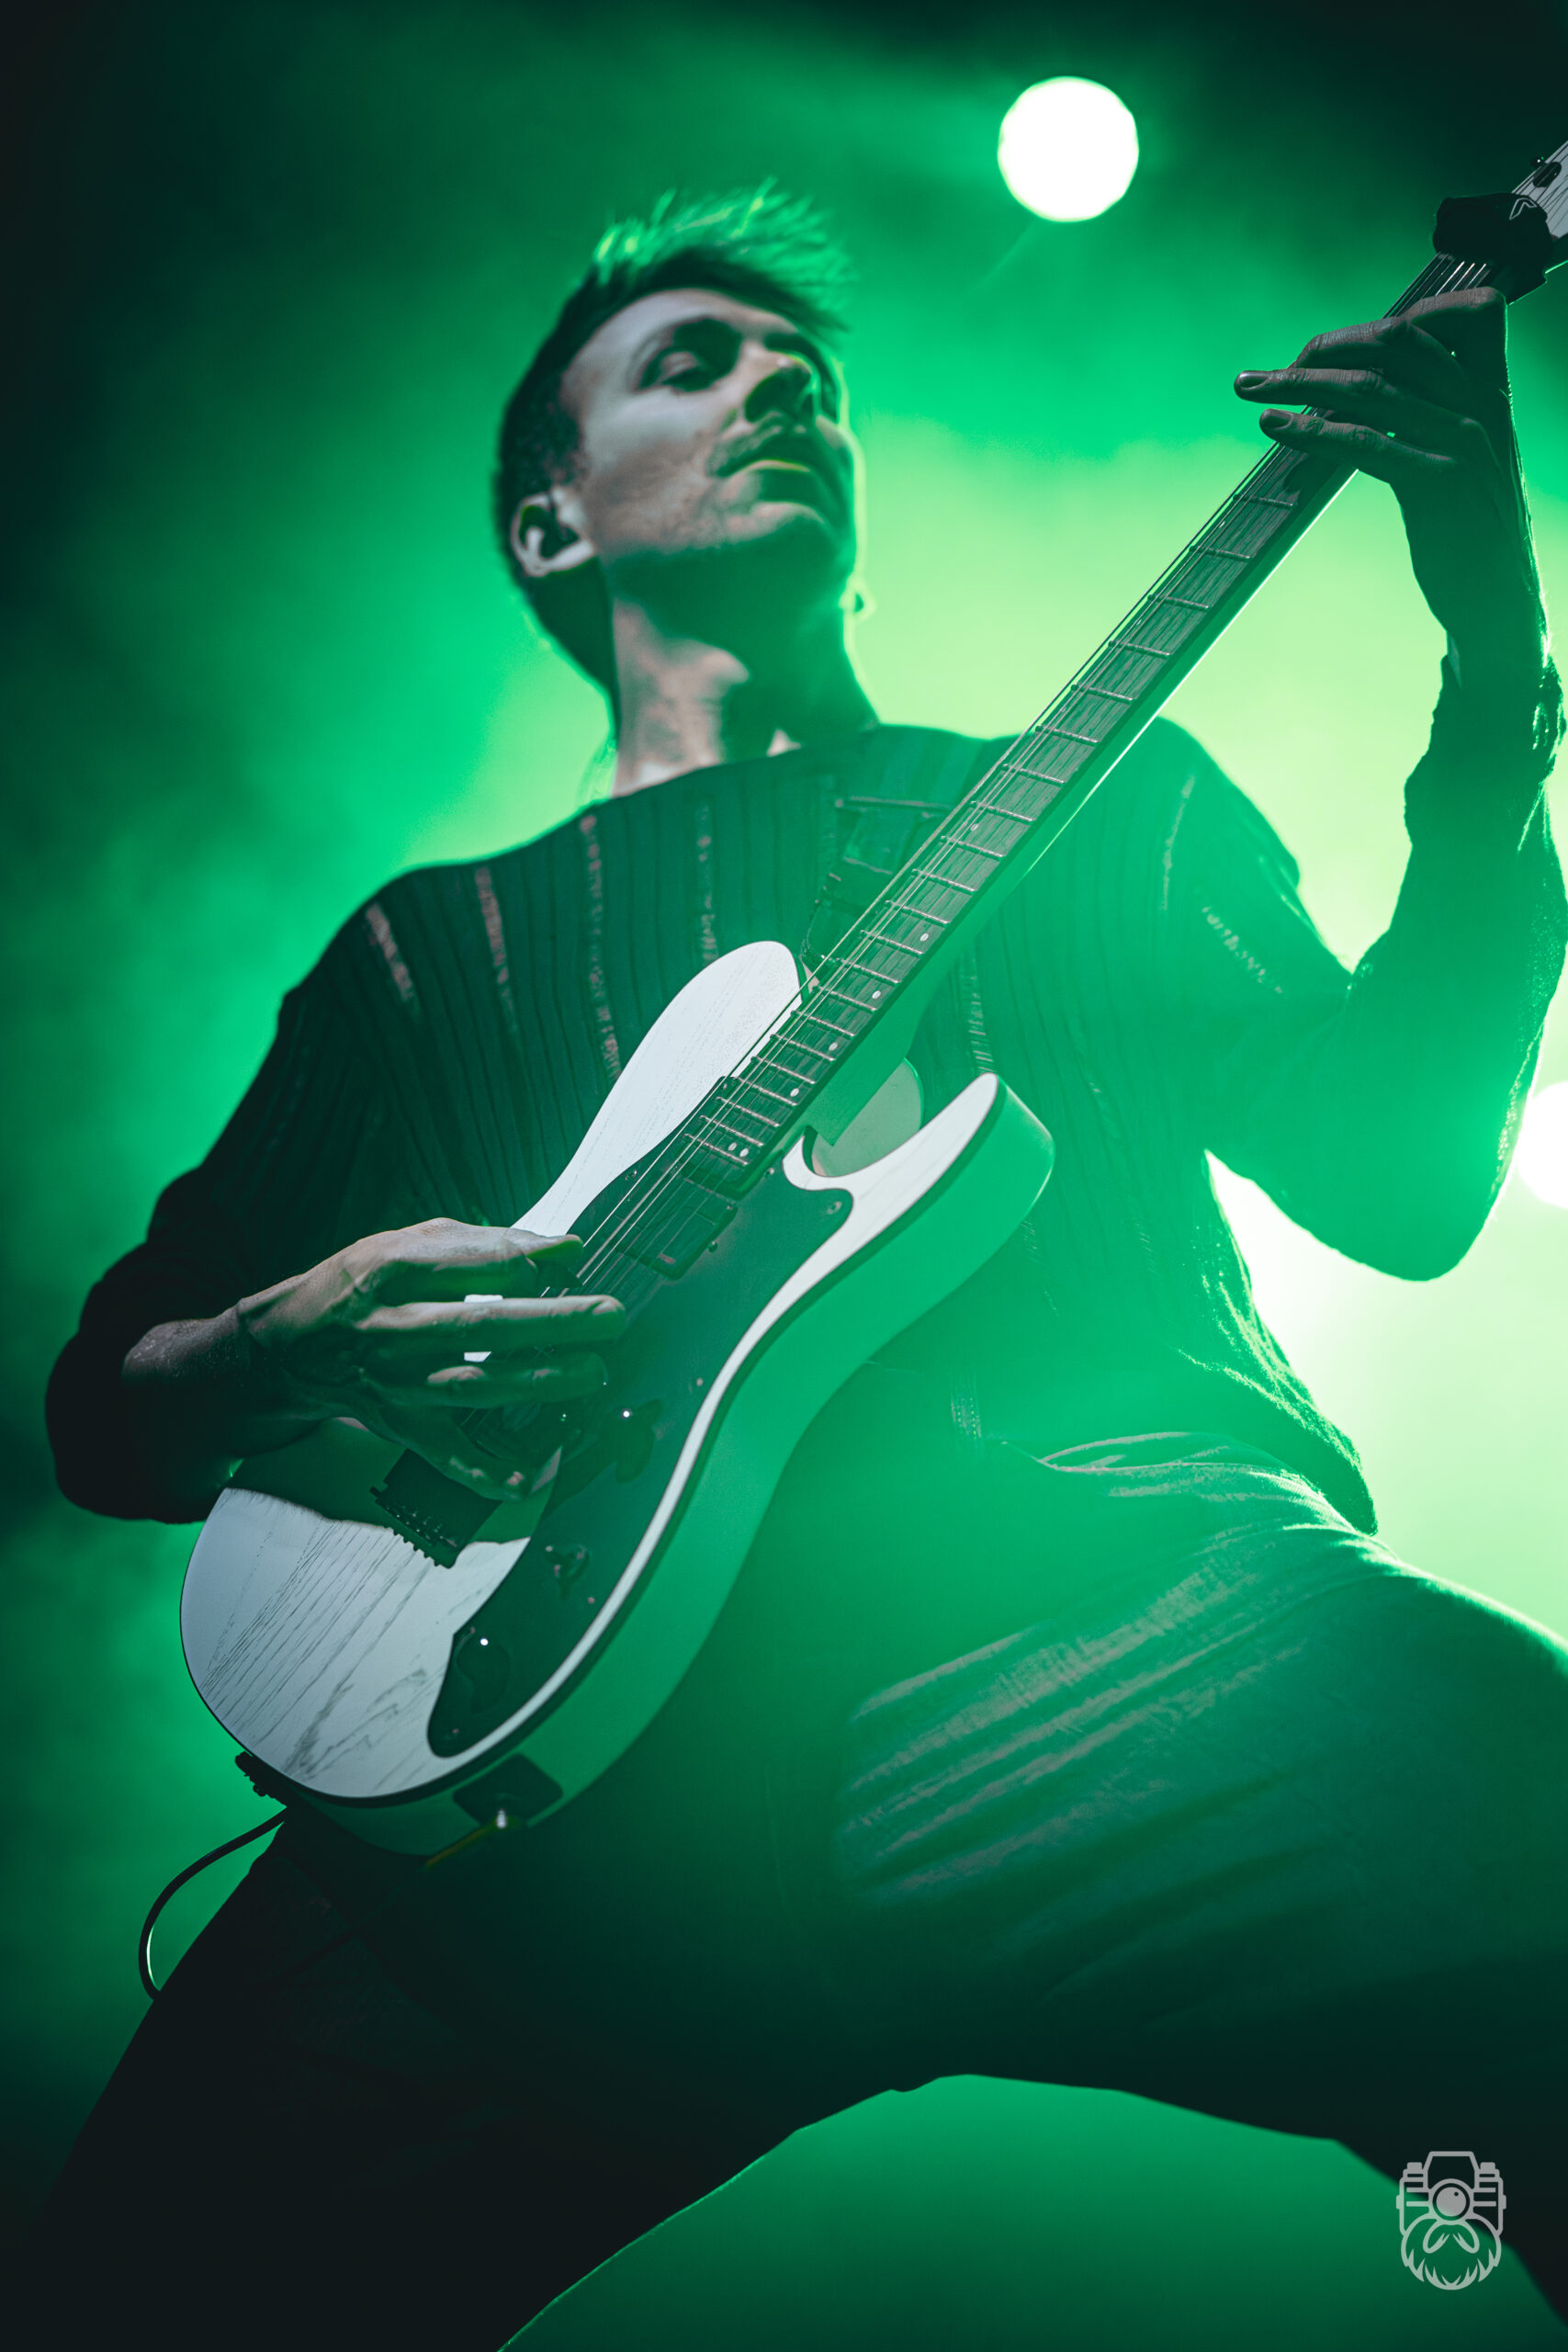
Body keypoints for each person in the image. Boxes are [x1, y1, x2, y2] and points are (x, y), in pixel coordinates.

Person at [31, 186, 1568, 2346]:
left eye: (807, 373)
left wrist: (1491, 665)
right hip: (538, 1790)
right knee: (133, 2285)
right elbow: (107, 1407)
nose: (778, 387)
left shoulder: (1100, 797)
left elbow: (1400, 1179)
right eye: (693, 363)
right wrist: (289, 1333)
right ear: (551, 517)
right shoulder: (425, 950)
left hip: (1110, 1623)